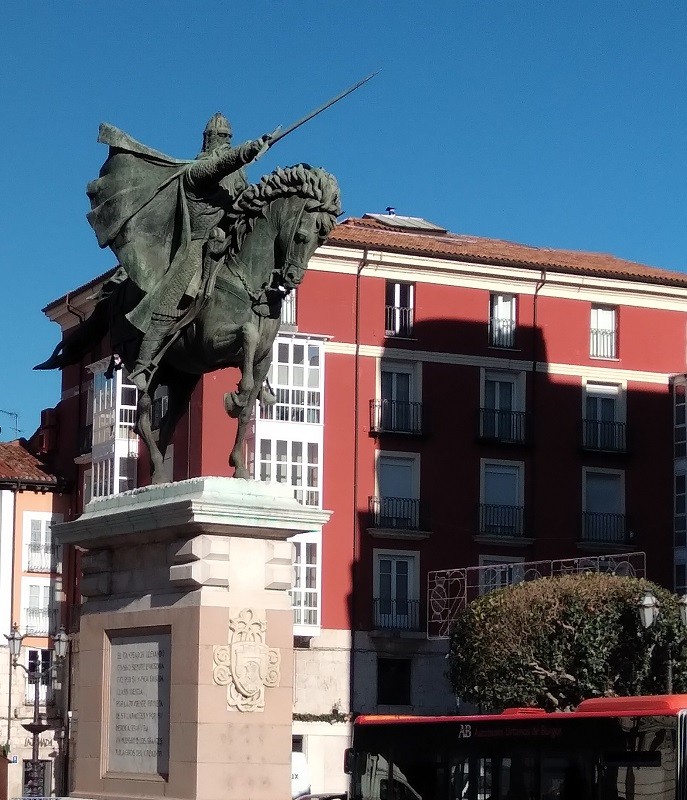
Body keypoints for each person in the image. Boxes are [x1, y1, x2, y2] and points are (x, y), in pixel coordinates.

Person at [85, 112, 275, 390]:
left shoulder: (234, 177)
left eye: (228, 139)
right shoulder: (197, 171)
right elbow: (219, 167)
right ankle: (144, 363)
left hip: (226, 243)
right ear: (209, 140)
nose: (224, 143)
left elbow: (243, 203)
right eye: (221, 138)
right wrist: (248, 151)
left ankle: (260, 376)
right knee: (173, 294)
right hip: (195, 247)